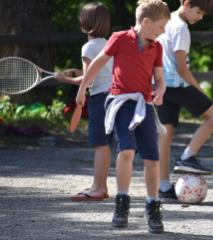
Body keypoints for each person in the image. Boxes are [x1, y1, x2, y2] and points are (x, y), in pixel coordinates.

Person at [75, 0, 170, 233]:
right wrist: (81, 90)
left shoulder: (156, 47)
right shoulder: (119, 38)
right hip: (120, 103)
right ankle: (122, 203)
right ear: (146, 22)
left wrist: (160, 91)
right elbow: (96, 65)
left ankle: (153, 205)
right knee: (126, 151)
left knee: (152, 158)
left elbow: (159, 79)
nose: (163, 32)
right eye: (161, 27)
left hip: (144, 105)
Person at [157, 0, 213, 199]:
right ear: (185, 3)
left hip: (161, 84)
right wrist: (198, 89)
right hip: (178, 85)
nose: (200, 17)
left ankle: (164, 186)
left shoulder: (165, 21)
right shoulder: (181, 28)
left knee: (165, 135)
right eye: (198, 12)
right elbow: (181, 67)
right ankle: (187, 156)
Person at [55, 2, 113, 201]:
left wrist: (67, 80)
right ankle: (100, 186)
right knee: (105, 145)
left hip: (99, 98)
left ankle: (97, 188)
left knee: (99, 145)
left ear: (84, 24)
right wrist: (79, 74)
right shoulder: (109, 44)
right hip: (113, 97)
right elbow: (99, 73)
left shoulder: (88, 46)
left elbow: (89, 77)